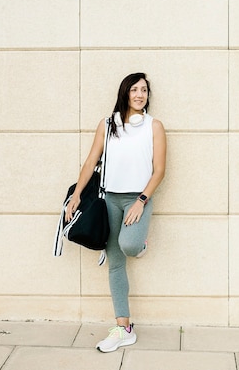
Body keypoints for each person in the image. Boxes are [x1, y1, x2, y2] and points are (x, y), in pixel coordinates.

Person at [65, 73, 166, 353]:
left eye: (144, 90)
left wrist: (142, 200)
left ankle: (140, 243)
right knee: (116, 262)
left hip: (137, 199)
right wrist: (75, 197)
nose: (139, 94)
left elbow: (159, 170)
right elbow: (90, 163)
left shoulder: (153, 126)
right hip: (108, 198)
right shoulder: (108, 124)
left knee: (129, 244)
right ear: (125, 92)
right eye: (134, 89)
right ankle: (124, 328)